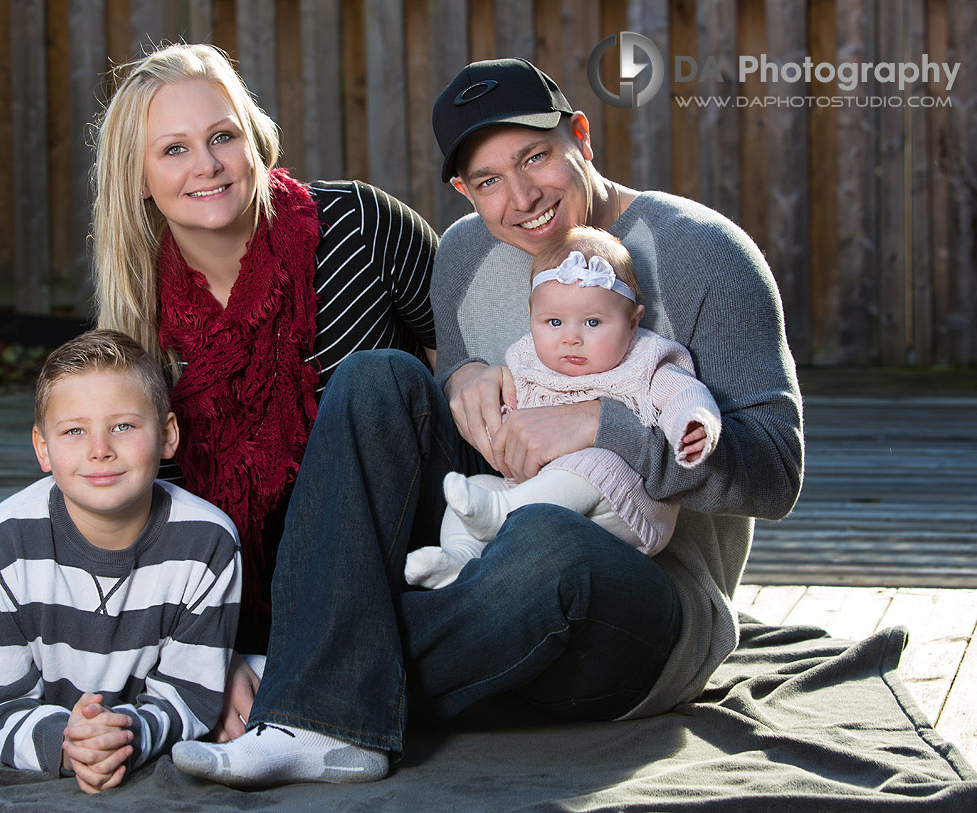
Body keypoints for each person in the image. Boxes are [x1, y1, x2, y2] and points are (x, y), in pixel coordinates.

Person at [171, 57, 803, 788]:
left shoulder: (704, 254)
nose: (523, 196)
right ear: (463, 190)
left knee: (545, 542)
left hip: (646, 609)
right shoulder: (465, 254)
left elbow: (776, 474)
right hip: (488, 575)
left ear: (582, 138)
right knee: (378, 377)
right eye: (489, 179)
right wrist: (459, 375)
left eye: (536, 156)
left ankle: (293, 686)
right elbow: (471, 423)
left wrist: (603, 423)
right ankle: (328, 714)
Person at [91, 42, 438, 662]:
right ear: (139, 181)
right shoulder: (140, 334)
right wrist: (209, 664)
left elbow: (466, 362)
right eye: (174, 149)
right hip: (250, 608)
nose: (207, 165)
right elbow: (152, 526)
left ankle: (320, 669)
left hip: (420, 552)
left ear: (252, 138)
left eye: (222, 136)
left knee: (376, 378)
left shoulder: (360, 224)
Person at [0, 329, 241, 794]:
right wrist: (67, 746)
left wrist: (122, 736)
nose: (99, 449)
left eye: (123, 426)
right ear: (43, 448)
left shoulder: (209, 545)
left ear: (168, 435)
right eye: (74, 431)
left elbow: (189, 696)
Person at [405, 226, 721, 590]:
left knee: (591, 462)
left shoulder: (644, 361)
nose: (571, 337)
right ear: (531, 316)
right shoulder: (527, 364)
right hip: (542, 505)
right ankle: (459, 562)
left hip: (626, 511)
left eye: (593, 322)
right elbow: (509, 416)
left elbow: (683, 393)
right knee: (475, 486)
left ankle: (500, 516)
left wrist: (694, 423)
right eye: (554, 322)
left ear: (633, 322)